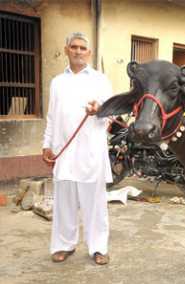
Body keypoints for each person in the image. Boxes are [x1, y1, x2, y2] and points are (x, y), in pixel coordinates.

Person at [42, 32, 113, 265]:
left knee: (95, 205)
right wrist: (46, 144)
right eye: (74, 47)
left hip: (91, 154)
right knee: (64, 204)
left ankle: (98, 247)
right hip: (64, 153)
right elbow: (52, 117)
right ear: (66, 50)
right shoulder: (57, 82)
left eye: (83, 48)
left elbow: (111, 114)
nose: (78, 51)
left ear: (89, 53)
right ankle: (64, 245)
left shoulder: (100, 80)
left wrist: (99, 109)